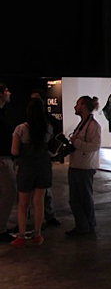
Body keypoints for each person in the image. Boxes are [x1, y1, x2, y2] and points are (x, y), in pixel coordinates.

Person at [10, 98, 53, 247]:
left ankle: (21, 236)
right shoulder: (47, 128)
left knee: (23, 203)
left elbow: (14, 151)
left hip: (26, 168)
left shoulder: (20, 129)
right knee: (39, 202)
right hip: (43, 167)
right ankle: (37, 234)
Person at [66, 96, 101, 236]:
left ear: (84, 106)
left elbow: (95, 145)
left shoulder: (93, 125)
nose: (75, 107)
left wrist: (76, 142)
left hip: (84, 167)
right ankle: (85, 225)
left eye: (77, 104)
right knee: (77, 199)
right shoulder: (84, 124)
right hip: (77, 165)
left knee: (83, 198)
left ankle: (85, 226)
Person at [30, 90, 61, 227]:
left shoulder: (48, 120)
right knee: (32, 191)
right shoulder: (26, 122)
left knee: (44, 190)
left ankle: (48, 216)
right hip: (33, 161)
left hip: (41, 160)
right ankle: (31, 220)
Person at [0, 83, 16, 242]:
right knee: (9, 192)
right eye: (6, 91)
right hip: (2, 159)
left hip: (5, 158)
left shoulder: (3, 113)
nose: (9, 93)